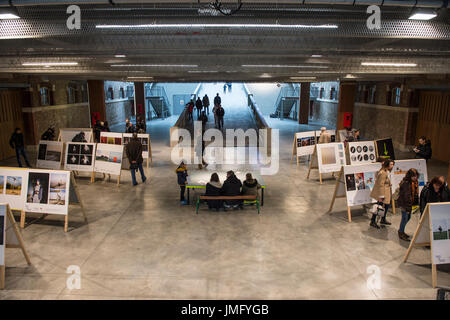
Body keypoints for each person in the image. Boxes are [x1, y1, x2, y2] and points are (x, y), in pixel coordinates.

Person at [369, 159, 395, 228]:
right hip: (383, 193)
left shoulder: (385, 170)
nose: (392, 166)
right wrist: (381, 196)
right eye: (391, 164)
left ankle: (383, 219)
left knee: (386, 206)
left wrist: (389, 183)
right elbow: (381, 184)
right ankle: (373, 221)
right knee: (378, 207)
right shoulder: (383, 172)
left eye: (393, 164)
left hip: (386, 192)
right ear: (387, 165)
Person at [397, 169, 419, 241]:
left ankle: (401, 230)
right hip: (404, 204)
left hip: (407, 204)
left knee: (407, 218)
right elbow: (407, 197)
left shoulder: (412, 183)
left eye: (416, 176)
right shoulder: (406, 184)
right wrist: (408, 208)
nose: (415, 178)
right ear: (410, 176)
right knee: (405, 218)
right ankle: (401, 232)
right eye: (414, 176)